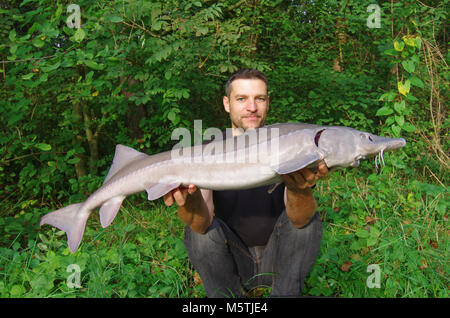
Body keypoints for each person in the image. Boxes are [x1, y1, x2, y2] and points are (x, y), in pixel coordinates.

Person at [163, 69, 328, 297]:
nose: (252, 107)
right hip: (232, 259)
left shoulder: (290, 144)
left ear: (267, 103)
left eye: (259, 98)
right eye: (241, 99)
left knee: (309, 219)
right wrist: (189, 203)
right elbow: (202, 226)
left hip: (278, 255)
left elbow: (299, 222)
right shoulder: (208, 149)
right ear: (226, 103)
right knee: (197, 234)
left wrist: (298, 189)